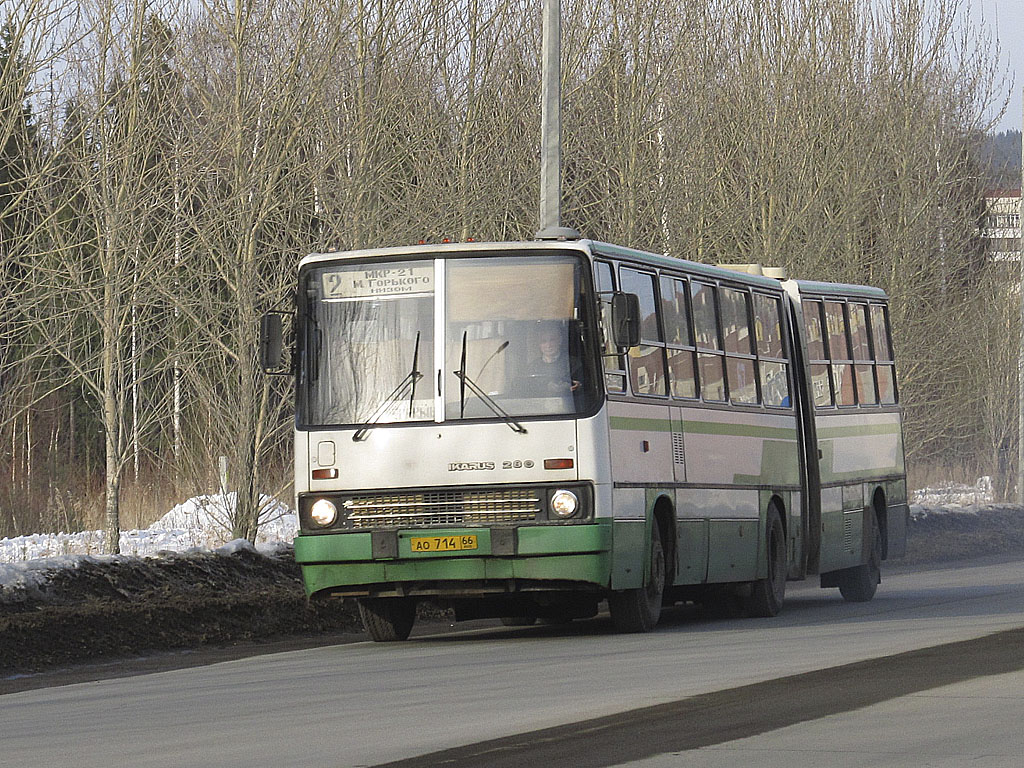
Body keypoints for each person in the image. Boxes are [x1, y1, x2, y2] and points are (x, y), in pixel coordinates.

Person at [530, 325, 580, 395]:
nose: (548, 345)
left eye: (552, 340)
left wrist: (576, 386)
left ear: (560, 341)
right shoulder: (532, 367)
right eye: (543, 341)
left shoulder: (574, 363)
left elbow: (585, 386)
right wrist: (546, 387)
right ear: (539, 344)